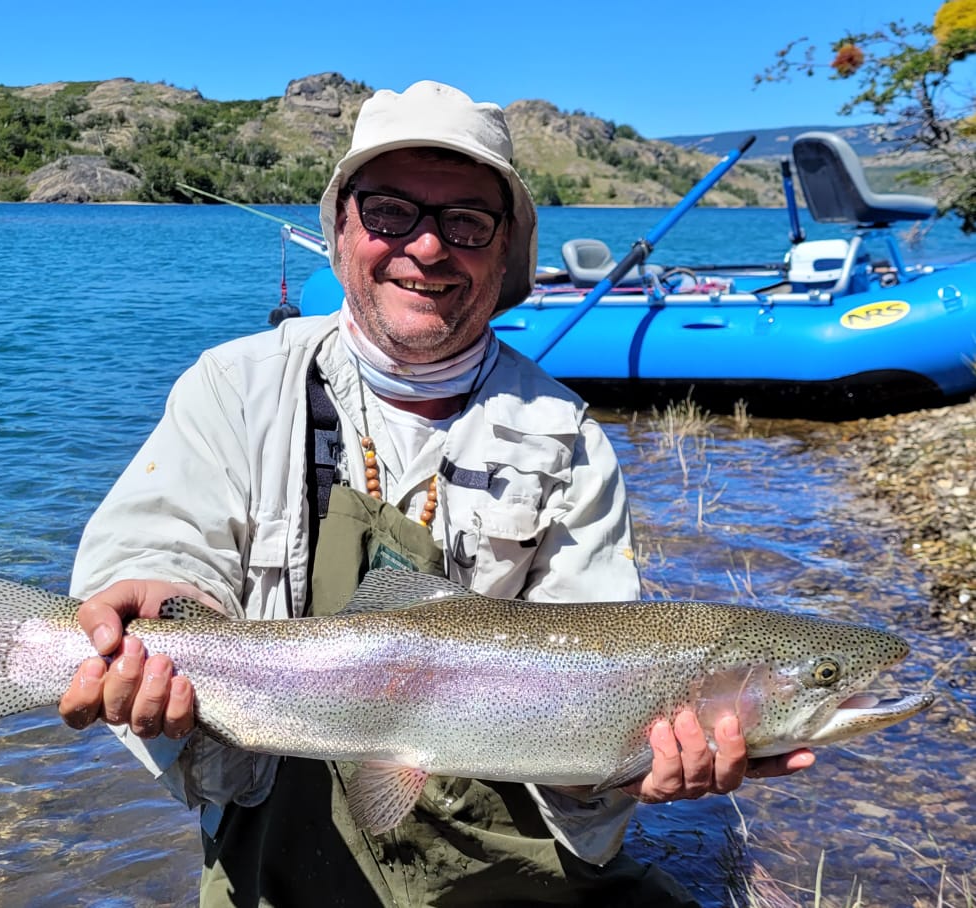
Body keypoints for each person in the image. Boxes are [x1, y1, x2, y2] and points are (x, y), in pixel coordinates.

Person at [58, 80, 813, 906]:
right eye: (389, 212)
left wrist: (631, 770)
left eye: (466, 223)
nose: (426, 248)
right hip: (275, 825)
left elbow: (599, 678)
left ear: (504, 252)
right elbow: (157, 543)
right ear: (341, 229)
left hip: (506, 856)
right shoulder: (236, 385)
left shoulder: (568, 438)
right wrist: (157, 600)